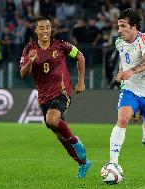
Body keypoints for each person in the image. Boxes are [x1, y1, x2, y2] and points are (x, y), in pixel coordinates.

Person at [19, 16, 91, 178]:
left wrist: (81, 82)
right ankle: (83, 163)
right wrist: (30, 62)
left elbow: (80, 57)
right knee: (59, 135)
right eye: (42, 28)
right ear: (36, 30)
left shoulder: (61, 45)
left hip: (62, 92)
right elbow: (23, 74)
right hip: (44, 98)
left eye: (48, 27)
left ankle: (75, 142)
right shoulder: (29, 50)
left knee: (52, 120)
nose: (45, 30)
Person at [109, 8, 145, 167]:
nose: (119, 30)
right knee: (122, 119)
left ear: (134, 26)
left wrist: (130, 71)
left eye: (123, 26)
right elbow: (125, 61)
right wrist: (122, 72)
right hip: (129, 88)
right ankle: (113, 164)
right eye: (118, 26)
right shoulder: (119, 41)